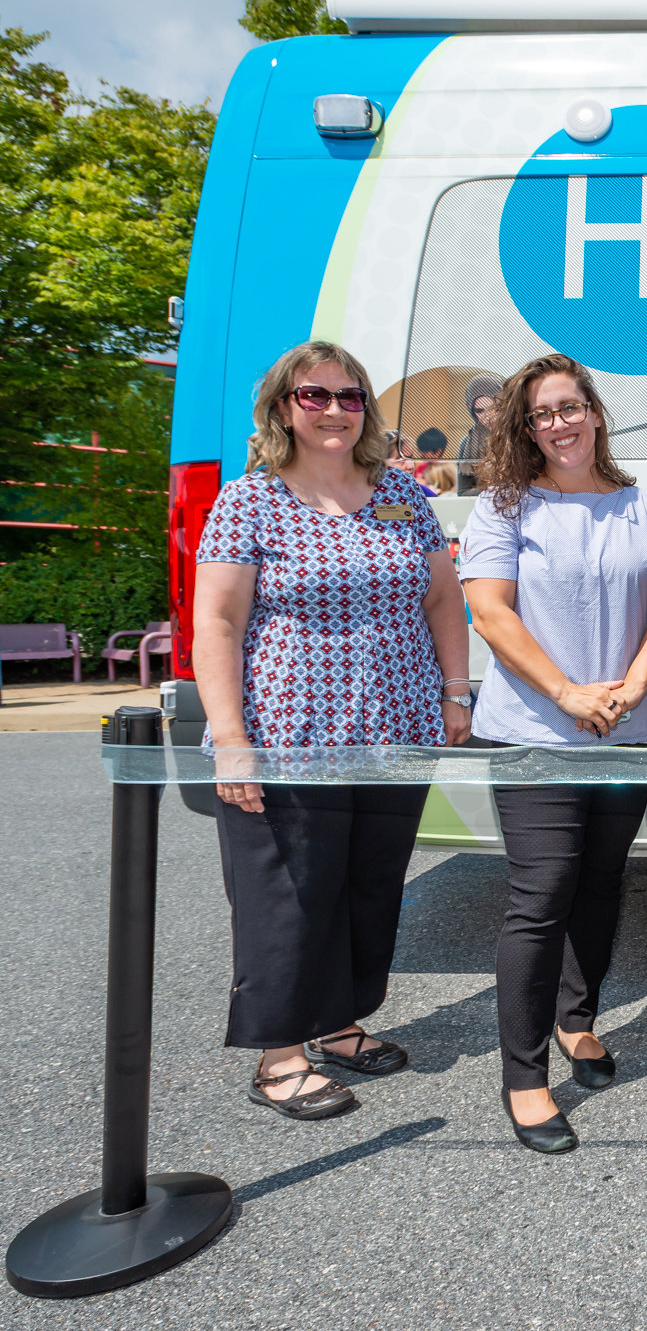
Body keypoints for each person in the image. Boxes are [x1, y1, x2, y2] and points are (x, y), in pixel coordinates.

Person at [192, 340, 472, 1121]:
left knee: (368, 884)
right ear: (284, 406)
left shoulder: (401, 497)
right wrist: (231, 738)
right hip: (287, 736)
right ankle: (279, 1054)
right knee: (287, 894)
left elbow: (444, 602)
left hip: (395, 731)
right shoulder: (250, 501)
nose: (335, 410)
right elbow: (215, 622)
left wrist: (455, 693)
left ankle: (338, 1022)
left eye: (350, 396)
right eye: (315, 396)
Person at [461, 354, 647, 1154]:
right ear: (525, 430)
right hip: (534, 733)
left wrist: (632, 683)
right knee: (542, 893)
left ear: (595, 412)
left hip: (625, 727)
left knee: (600, 882)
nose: (558, 423)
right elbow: (491, 615)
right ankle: (524, 1079)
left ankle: (576, 1019)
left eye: (570, 407)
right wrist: (567, 692)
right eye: (541, 414)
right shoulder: (503, 507)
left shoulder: (643, 505)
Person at [456, 375, 500, 496]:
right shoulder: (467, 443)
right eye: (479, 411)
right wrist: (496, 490)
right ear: (472, 412)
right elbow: (462, 493)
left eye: (493, 408)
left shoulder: (521, 436)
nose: (487, 416)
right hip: (484, 509)